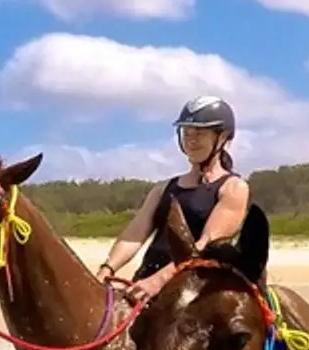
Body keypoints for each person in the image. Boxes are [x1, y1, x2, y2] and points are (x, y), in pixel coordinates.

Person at [97, 96, 251, 303]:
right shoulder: (162, 189)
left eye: (200, 133)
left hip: (194, 292)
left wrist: (159, 280)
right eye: (187, 132)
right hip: (146, 283)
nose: (191, 139)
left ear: (222, 137)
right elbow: (133, 237)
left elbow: (206, 245)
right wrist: (106, 270)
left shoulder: (233, 188)